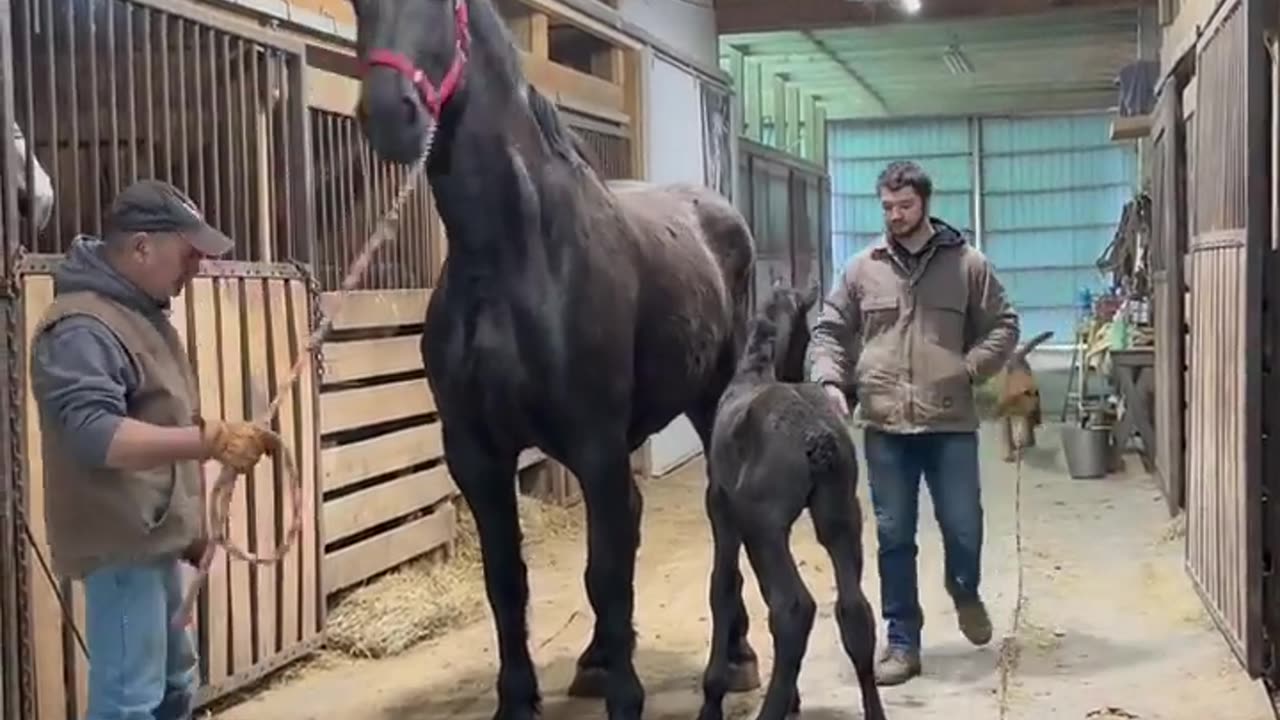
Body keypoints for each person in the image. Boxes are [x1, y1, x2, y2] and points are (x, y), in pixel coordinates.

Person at [29, 179, 281, 720]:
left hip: (154, 540)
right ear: (143, 246)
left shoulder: (135, 315)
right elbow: (94, 434)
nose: (196, 267)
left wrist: (190, 523)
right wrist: (209, 440)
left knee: (172, 684)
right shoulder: (81, 327)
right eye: (188, 254)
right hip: (123, 548)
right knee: (129, 700)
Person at [809, 160, 1019, 686]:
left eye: (904, 206)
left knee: (963, 524)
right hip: (884, 426)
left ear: (924, 202)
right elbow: (830, 330)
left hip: (949, 425)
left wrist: (967, 368)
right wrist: (830, 382)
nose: (895, 216)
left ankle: (964, 587)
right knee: (893, 535)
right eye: (886, 207)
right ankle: (902, 641)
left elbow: (1004, 325)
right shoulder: (861, 269)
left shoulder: (967, 264)